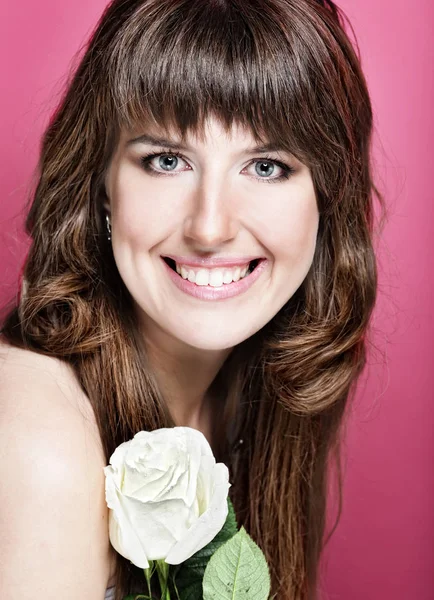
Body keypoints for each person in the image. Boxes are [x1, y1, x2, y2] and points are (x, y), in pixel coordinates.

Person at [0, 0, 386, 599]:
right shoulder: (35, 435)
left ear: (327, 200)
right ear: (102, 188)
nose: (209, 228)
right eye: (167, 160)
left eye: (265, 166)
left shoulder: (250, 400)